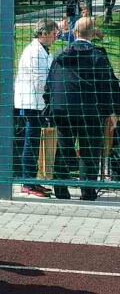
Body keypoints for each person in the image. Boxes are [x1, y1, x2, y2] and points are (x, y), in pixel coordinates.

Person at [44, 17, 120, 201]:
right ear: (93, 33)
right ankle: (88, 191)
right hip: (89, 111)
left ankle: (61, 190)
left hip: (63, 109)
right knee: (89, 150)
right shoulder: (98, 57)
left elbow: (50, 83)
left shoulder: (60, 55)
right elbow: (108, 86)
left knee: (63, 148)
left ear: (74, 32)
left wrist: (50, 105)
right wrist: (112, 111)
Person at [14, 21, 58, 198]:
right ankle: (28, 182)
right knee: (31, 141)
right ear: (43, 33)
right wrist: (52, 93)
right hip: (32, 102)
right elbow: (40, 80)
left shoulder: (43, 50)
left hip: (38, 102)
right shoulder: (34, 52)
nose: (56, 37)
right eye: (54, 33)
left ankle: (32, 180)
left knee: (33, 141)